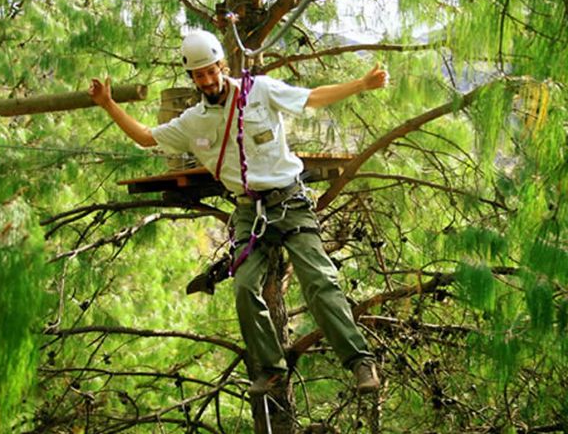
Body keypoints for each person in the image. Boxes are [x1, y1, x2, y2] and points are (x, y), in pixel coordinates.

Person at [89, 29, 389, 396]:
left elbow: (310, 98)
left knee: (319, 282)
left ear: (222, 66)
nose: (207, 79)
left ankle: (360, 362)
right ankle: (272, 370)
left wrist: (361, 84)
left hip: (289, 203)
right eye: (199, 75)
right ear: (193, 79)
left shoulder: (260, 91)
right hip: (249, 211)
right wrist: (108, 104)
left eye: (211, 71)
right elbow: (146, 137)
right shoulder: (193, 121)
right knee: (245, 287)